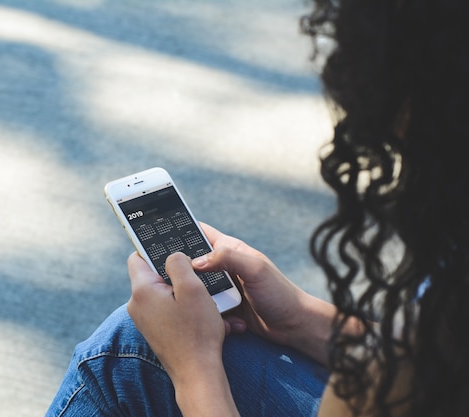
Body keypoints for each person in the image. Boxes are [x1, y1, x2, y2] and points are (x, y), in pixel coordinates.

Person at [46, 0, 469, 416]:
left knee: (128, 351)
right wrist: (299, 319)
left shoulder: (396, 373)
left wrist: (194, 370)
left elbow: (417, 360)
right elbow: (442, 357)